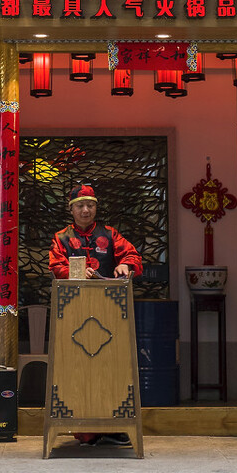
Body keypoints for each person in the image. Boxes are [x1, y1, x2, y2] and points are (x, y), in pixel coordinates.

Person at [48, 184, 142, 447]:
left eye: (90, 205)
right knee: (77, 371)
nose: (86, 210)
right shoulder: (61, 238)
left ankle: (111, 426)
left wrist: (125, 263)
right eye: (80, 205)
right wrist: (74, 271)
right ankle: (84, 430)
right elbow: (55, 266)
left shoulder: (111, 235)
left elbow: (133, 255)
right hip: (73, 312)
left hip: (109, 313)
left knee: (110, 369)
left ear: (96, 208)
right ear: (71, 209)